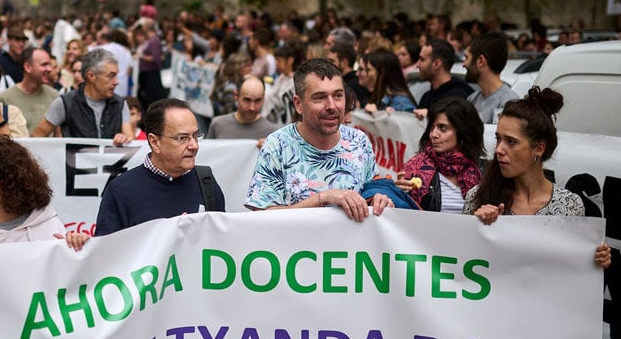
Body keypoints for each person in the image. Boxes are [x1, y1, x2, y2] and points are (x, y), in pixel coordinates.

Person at [464, 87, 611, 269]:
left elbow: (571, 271)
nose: (499, 149)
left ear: (538, 149)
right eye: (498, 139)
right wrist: (474, 228)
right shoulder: (478, 198)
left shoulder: (569, 206)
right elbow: (460, 265)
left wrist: (596, 260)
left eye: (511, 142)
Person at [245, 58, 394, 222]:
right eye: (320, 97)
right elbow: (260, 217)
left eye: (338, 96)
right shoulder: (277, 145)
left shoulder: (359, 141)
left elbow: (370, 190)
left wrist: (379, 200)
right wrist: (322, 199)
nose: (331, 106)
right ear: (298, 104)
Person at [94, 98, 225, 236]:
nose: (194, 145)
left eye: (195, 136)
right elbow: (106, 251)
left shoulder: (206, 182)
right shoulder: (121, 191)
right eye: (182, 138)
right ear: (155, 142)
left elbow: (219, 242)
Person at [394, 97, 484, 213]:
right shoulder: (415, 168)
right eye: (432, 128)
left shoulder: (477, 173)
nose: (433, 134)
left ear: (462, 132)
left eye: (443, 128)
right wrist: (398, 194)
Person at [33, 48, 133, 145]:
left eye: (116, 76)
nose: (116, 82)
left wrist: (123, 138)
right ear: (91, 76)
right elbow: (37, 136)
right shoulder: (65, 103)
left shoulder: (120, 104)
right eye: (111, 76)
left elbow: (131, 141)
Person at [0, 47, 59, 134]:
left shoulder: (55, 96)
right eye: (44, 65)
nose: (49, 69)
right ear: (28, 67)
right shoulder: (5, 98)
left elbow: (59, 136)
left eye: (49, 65)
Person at [464, 32, 520, 124]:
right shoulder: (472, 99)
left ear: (481, 61)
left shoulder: (508, 102)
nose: (464, 64)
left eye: (466, 57)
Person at [207, 76, 279, 146]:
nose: (252, 107)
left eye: (257, 101)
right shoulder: (218, 125)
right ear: (236, 96)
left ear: (263, 99)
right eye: (247, 100)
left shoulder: (272, 133)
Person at [414, 38, 473, 115]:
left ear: (437, 64)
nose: (417, 65)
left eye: (422, 60)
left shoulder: (458, 97)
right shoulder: (426, 97)